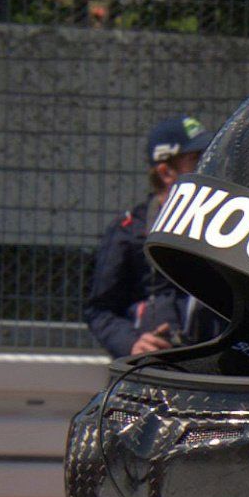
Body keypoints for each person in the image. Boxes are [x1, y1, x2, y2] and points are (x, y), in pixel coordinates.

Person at [83, 115, 209, 359]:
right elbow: (99, 311)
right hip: (153, 367)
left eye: (209, 155)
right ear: (166, 172)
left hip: (215, 365)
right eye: (196, 159)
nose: (208, 165)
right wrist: (132, 343)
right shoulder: (128, 230)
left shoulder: (227, 226)